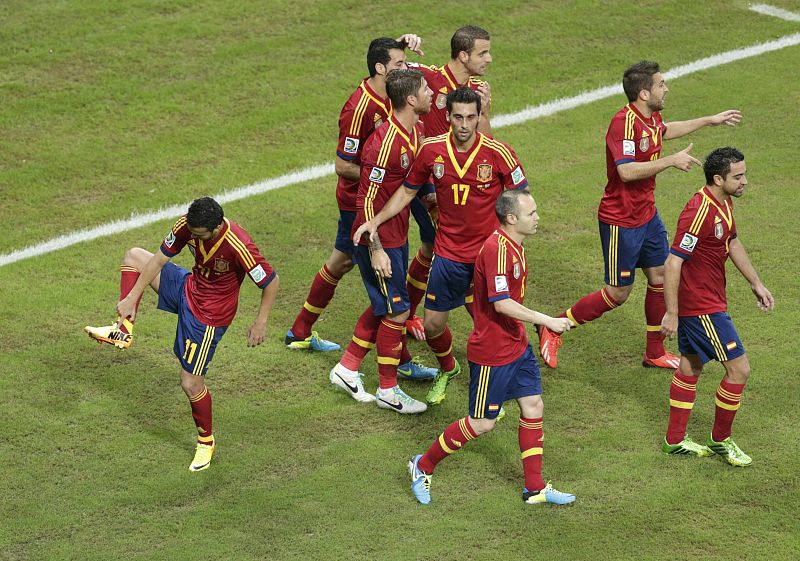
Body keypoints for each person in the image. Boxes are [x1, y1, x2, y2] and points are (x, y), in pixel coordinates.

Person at [538, 60, 743, 370]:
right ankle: (554, 325)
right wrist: (670, 161)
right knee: (618, 293)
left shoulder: (650, 117)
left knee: (660, 277)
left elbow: (664, 131)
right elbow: (626, 171)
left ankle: (655, 351)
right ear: (644, 93)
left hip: (647, 214)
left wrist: (708, 120)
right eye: (661, 84)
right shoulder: (623, 124)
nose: (666, 88)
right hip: (621, 220)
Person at [353, 87, 529, 406]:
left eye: (471, 117)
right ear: (447, 116)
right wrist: (376, 220)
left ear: (479, 117)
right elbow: (407, 193)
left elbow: (522, 199)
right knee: (433, 325)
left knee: (497, 328)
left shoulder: (499, 153)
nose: (464, 124)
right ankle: (448, 369)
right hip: (448, 256)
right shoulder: (430, 151)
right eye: (458, 117)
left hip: (486, 258)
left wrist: (509, 244)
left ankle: (499, 391)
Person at [84, 197, 279, 472]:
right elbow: (158, 260)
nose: (192, 235)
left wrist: (261, 322)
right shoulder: (186, 225)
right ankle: (123, 330)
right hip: (189, 288)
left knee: (190, 383)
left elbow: (270, 282)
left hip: (209, 317)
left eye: (198, 235)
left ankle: (205, 442)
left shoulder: (239, 245)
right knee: (134, 257)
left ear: (214, 228)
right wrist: (131, 298)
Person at [408, 189, 574, 505]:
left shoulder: (515, 246)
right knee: (482, 423)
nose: (537, 217)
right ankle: (422, 465)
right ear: (512, 219)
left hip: (516, 345)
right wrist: (545, 319)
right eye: (532, 213)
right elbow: (501, 304)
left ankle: (535, 489)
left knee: (533, 405)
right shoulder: (496, 250)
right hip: (492, 353)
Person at [284, 35, 436, 350]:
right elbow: (343, 165)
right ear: (381, 68)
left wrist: (403, 40)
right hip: (362, 200)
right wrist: (384, 176)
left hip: (395, 190)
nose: (405, 67)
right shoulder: (359, 108)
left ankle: (303, 330)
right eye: (399, 64)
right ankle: (306, 332)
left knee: (431, 238)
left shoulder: (398, 92)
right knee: (346, 262)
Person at [328, 68, 434, 413]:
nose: (432, 93)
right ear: (411, 100)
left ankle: (346, 368)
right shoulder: (383, 144)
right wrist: (375, 250)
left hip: (396, 234)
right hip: (377, 241)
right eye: (425, 89)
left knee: (386, 306)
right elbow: (365, 203)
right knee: (398, 310)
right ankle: (389, 391)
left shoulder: (415, 130)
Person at [659, 147, 773, 466]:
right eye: (738, 176)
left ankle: (674, 441)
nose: (745, 181)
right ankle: (721, 440)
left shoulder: (723, 202)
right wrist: (672, 312)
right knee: (739, 369)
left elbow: (732, 241)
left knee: (690, 366)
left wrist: (755, 282)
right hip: (701, 306)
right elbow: (673, 261)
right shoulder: (698, 211)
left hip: (709, 299)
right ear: (718, 178)